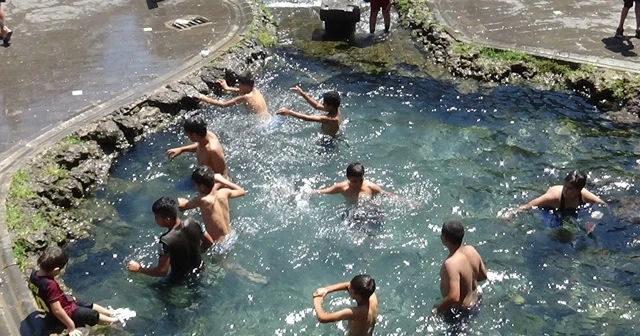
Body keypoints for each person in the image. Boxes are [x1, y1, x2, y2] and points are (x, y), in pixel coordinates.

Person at [29, 247, 118, 336]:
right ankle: (115, 321)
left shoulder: (34, 275)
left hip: (62, 304)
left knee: (86, 304)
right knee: (91, 314)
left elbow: (43, 294)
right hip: (66, 312)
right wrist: (71, 326)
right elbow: (57, 310)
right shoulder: (50, 285)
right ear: (55, 270)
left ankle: (111, 313)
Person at [128, 197, 214, 283]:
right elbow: (209, 242)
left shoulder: (165, 241)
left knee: (154, 288)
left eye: (157, 217)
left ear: (167, 220)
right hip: (200, 269)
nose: (155, 220)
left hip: (182, 279)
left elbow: (162, 271)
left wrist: (139, 269)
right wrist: (196, 252)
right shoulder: (193, 222)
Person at [178, 165, 245, 254]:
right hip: (231, 235)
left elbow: (182, 207)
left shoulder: (202, 200)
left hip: (219, 245)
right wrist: (223, 180)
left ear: (201, 186)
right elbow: (241, 191)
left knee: (224, 265)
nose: (194, 187)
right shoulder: (223, 192)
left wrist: (180, 202)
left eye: (195, 184)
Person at [434, 220, 487, 325]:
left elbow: (454, 296)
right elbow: (483, 276)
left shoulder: (450, 263)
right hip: (476, 302)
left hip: (459, 313)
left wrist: (436, 311)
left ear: (444, 239)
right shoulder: (471, 250)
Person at [501, 170, 607, 220]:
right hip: (549, 210)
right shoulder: (553, 197)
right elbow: (529, 205)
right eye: (565, 186)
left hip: (571, 210)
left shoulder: (584, 195)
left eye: (570, 189)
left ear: (578, 190)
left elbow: (603, 204)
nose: (565, 190)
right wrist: (512, 213)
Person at [165, 116, 228, 180]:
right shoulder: (204, 136)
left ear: (194, 135)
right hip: (202, 179)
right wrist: (181, 149)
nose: (186, 135)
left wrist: (211, 190)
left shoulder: (213, 150)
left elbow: (223, 176)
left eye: (188, 134)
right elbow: (201, 146)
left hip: (210, 185)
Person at [312, 275, 378, 336]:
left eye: (350, 289)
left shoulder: (355, 312)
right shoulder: (370, 294)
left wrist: (317, 301)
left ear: (357, 295)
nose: (348, 287)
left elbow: (323, 318)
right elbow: (350, 285)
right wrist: (326, 290)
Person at [191, 72, 269, 118]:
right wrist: (227, 88)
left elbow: (223, 105)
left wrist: (204, 98)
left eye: (240, 84)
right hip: (269, 118)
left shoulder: (246, 97)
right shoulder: (254, 90)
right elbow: (240, 90)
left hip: (261, 125)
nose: (238, 86)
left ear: (245, 86)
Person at [276, 86, 341, 137]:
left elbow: (307, 118)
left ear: (331, 106)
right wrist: (302, 94)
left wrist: (289, 112)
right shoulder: (335, 109)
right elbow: (316, 106)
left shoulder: (332, 120)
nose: (323, 104)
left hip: (328, 142)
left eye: (324, 103)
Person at [314, 162, 389, 204]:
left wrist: (400, 199)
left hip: (371, 212)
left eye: (361, 180)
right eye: (354, 181)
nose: (358, 183)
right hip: (353, 213)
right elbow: (324, 191)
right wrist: (309, 192)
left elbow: (385, 194)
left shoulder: (371, 187)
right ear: (348, 178)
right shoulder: (342, 188)